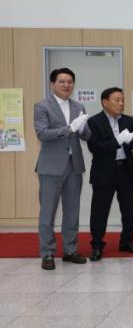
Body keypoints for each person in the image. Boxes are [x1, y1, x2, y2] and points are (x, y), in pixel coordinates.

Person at [34, 68, 91, 270]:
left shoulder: (78, 106)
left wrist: (82, 129)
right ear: (52, 84)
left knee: (72, 211)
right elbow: (42, 133)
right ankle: (47, 253)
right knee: (48, 212)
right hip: (51, 166)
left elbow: (86, 135)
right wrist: (69, 129)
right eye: (62, 81)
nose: (67, 85)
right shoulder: (42, 106)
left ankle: (70, 250)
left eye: (70, 81)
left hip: (74, 165)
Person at [87, 87, 133, 261]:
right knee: (100, 211)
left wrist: (131, 139)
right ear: (105, 102)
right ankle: (97, 245)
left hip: (125, 169)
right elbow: (94, 147)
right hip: (104, 171)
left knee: (128, 210)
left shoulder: (127, 120)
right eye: (117, 100)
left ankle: (127, 241)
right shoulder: (94, 121)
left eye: (122, 100)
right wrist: (116, 141)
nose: (121, 103)